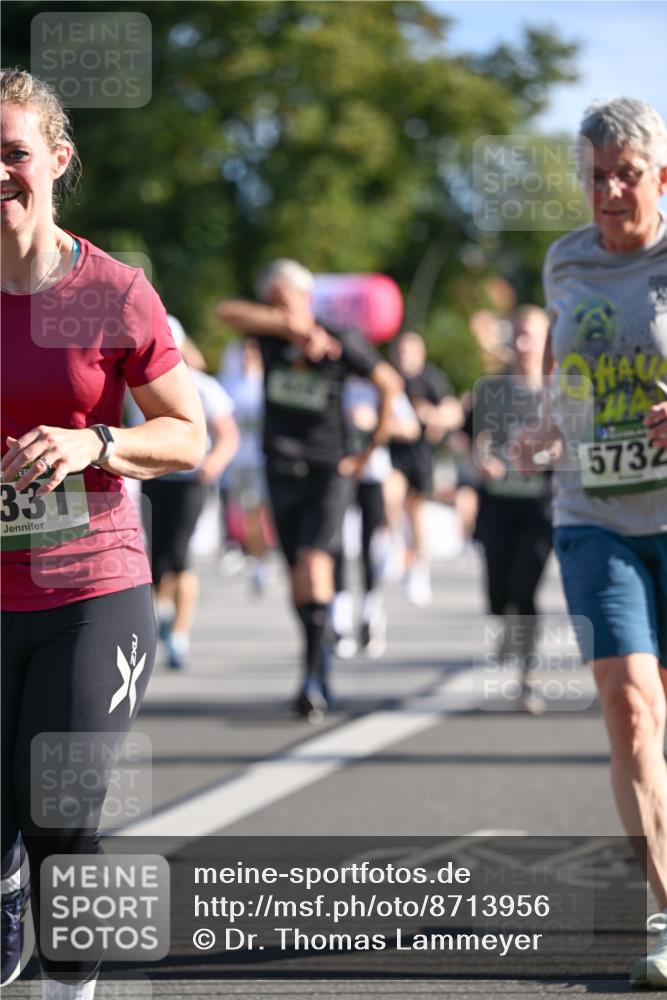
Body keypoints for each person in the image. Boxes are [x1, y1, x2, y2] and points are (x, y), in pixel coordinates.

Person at [0, 69, 206, 997]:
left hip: (92, 590)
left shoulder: (110, 291)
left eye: (14, 154)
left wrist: (95, 441)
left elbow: (189, 433)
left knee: (62, 811)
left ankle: (69, 987)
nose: (1, 173)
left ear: (57, 160)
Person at [517, 97, 667, 987]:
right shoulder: (563, 258)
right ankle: (661, 910)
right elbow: (560, 370)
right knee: (630, 707)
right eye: (594, 175)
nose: (608, 191)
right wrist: (544, 424)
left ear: (660, 177)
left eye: (625, 173)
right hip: (592, 515)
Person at [216, 259, 401, 721]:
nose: (283, 310)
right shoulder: (270, 336)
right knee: (296, 573)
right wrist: (283, 326)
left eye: (290, 300)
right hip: (280, 468)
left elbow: (388, 383)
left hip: (328, 469)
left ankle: (315, 674)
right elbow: (225, 312)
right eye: (273, 302)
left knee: (313, 560)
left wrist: (368, 448)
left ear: (308, 296)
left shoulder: (338, 339)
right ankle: (315, 652)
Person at [140, 316, 239, 668]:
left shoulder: (203, 386)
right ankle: (163, 613)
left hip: (190, 480)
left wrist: (214, 462)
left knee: (179, 555)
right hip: (152, 478)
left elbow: (227, 433)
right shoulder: (134, 382)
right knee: (153, 558)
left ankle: (179, 634)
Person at [469, 306, 553, 714]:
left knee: (526, 589)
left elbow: (578, 443)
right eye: (516, 335)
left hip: (540, 509)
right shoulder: (491, 389)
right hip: (498, 505)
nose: (522, 344)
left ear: (545, 340)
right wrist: (480, 458)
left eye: (530, 336)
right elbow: (468, 436)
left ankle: (528, 676)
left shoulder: (559, 391)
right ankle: (503, 623)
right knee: (497, 592)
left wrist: (550, 453)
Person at [332, 375, 420, 658]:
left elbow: (411, 427)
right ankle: (340, 619)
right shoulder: (336, 380)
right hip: (340, 472)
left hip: (372, 473)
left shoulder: (381, 381)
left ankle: (371, 614)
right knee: (340, 545)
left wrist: (375, 423)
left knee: (370, 545)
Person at [387, 330, 463, 605]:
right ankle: (394, 546)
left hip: (420, 455)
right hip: (393, 453)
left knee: (416, 511)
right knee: (391, 495)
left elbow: (452, 412)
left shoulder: (431, 378)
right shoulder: (389, 377)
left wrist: (432, 417)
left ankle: (418, 566)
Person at [218, 337, 271, 591]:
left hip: (259, 458)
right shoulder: (231, 382)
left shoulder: (265, 382)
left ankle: (257, 558)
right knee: (235, 506)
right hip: (236, 457)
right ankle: (241, 549)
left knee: (254, 508)